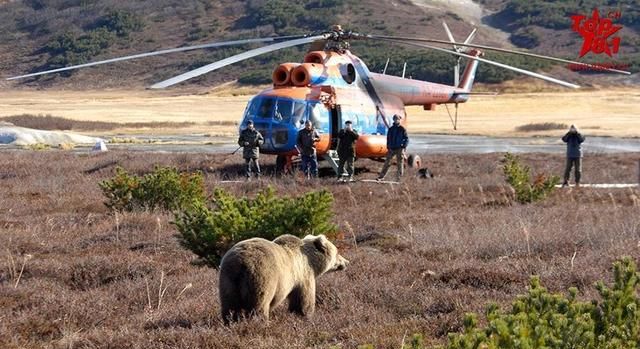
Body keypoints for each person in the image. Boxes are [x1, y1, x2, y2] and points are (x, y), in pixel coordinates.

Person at [377, 114, 409, 181]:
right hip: (391, 148)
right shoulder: (391, 129)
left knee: (400, 164)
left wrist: (403, 146)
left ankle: (399, 178)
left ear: (399, 120)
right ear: (393, 120)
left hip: (400, 148)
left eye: (397, 119)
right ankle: (381, 177)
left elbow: (406, 138)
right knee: (387, 163)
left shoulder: (402, 129)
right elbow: (388, 138)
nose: (396, 120)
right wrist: (388, 146)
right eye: (395, 119)